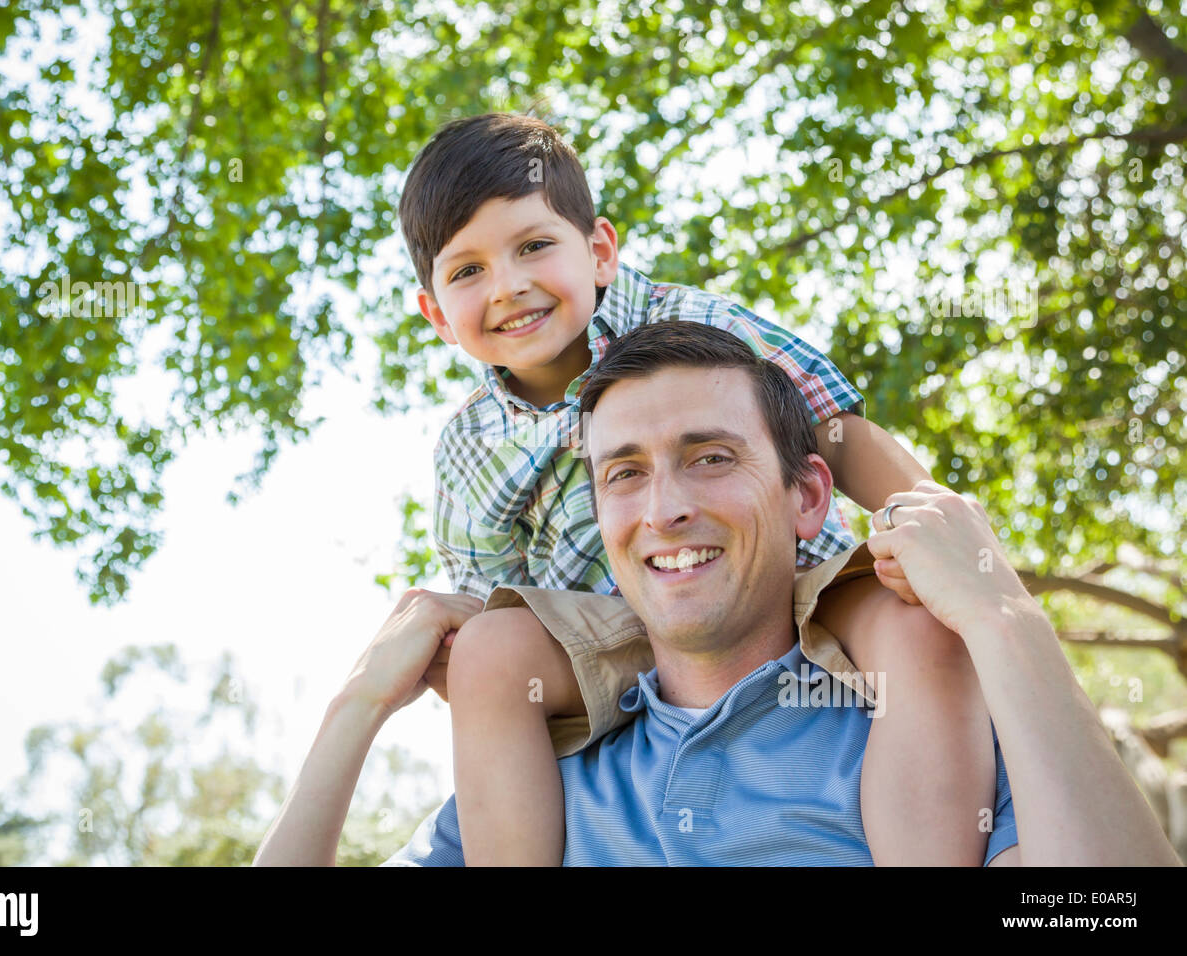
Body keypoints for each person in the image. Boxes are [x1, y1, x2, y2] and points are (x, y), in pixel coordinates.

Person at [253, 321, 1179, 866]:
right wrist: (357, 707)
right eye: (624, 474)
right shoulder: (537, 787)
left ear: (808, 494)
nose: (665, 509)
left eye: (711, 458)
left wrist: (1001, 614)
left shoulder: (934, 742)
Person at [398, 111, 990, 865]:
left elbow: (834, 432)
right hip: (617, 637)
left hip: (786, 582)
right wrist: (471, 656)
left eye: (535, 246)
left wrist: (936, 531)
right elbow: (493, 597)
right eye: (468, 271)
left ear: (600, 251)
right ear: (437, 315)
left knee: (918, 628)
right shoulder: (468, 448)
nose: (509, 286)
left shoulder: (688, 324)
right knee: (487, 651)